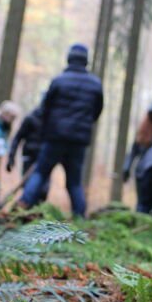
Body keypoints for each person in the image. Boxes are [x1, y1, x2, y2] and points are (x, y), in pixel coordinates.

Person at [18, 44, 103, 218]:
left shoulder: (59, 81)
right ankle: (80, 218)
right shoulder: (95, 84)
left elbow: (45, 109)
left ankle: (23, 207)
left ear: (69, 58)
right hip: (79, 140)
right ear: (86, 61)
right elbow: (97, 111)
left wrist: (47, 132)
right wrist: (83, 126)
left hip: (55, 137)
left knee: (40, 173)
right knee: (74, 182)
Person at [6, 101, 48, 202]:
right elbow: (17, 138)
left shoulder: (52, 120)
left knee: (44, 189)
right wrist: (11, 157)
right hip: (29, 157)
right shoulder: (30, 118)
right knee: (28, 185)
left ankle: (37, 212)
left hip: (45, 158)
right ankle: (25, 211)